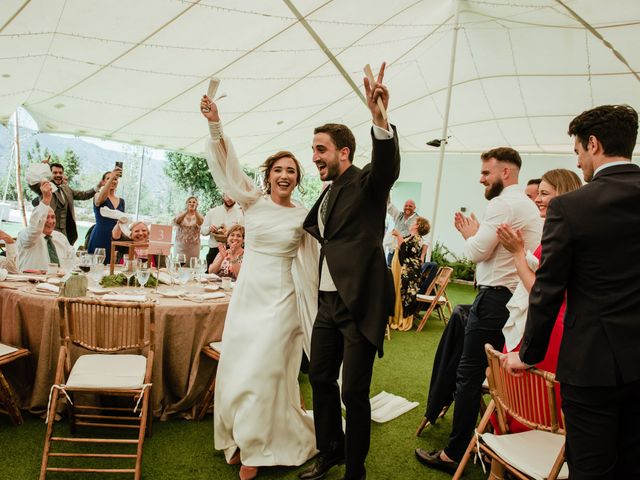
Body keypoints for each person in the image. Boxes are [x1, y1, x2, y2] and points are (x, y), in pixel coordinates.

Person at [503, 104, 640, 479]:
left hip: (591, 365)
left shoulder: (571, 206)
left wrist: (527, 354)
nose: (578, 162)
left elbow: (548, 291)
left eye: (578, 152)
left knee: (591, 467)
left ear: (593, 144)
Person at [200, 94, 319, 480]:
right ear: (268, 175)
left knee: (267, 369)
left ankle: (256, 448)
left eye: (292, 171)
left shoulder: (304, 216)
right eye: (279, 170)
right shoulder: (251, 201)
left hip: (282, 299)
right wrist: (215, 123)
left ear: (298, 179)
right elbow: (226, 163)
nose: (285, 175)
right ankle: (237, 437)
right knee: (239, 366)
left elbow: (318, 259)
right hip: (248, 295)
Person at [299, 63, 400, 480]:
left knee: (353, 391)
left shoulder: (367, 183)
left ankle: (355, 469)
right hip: (326, 304)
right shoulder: (327, 194)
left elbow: (388, 166)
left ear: (344, 152)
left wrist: (380, 121)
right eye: (313, 149)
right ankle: (331, 451)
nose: (314, 156)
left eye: (320, 149)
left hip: (358, 303)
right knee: (320, 380)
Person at [415, 147, 542, 474]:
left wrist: (470, 235)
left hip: (495, 299)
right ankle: (483, 441)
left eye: (487, 173)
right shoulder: (526, 205)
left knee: (468, 375)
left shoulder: (503, 203)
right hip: (512, 301)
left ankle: (455, 453)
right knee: (484, 375)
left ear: (505, 174)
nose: (481, 178)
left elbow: (475, 253)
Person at [17, 180, 75, 272]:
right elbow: (35, 228)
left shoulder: (60, 237)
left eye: (53, 217)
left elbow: (72, 259)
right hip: (32, 282)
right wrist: (46, 200)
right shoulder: (26, 236)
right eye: (46, 217)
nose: (51, 221)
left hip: (57, 282)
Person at [388, 216, 430, 331]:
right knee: (398, 292)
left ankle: (402, 321)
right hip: (402, 269)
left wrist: (398, 236)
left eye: (415, 222)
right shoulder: (411, 237)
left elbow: (406, 251)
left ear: (418, 226)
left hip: (408, 271)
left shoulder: (417, 238)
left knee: (405, 294)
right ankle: (395, 318)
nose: (412, 223)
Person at [87, 168, 123, 264]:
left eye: (115, 179)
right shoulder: (97, 195)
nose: (113, 181)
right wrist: (112, 178)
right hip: (100, 235)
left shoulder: (121, 201)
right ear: (103, 182)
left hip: (114, 238)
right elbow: (100, 201)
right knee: (96, 263)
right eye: (109, 178)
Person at [201, 193, 243, 267]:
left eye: (232, 196)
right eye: (227, 195)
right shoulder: (213, 212)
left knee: (232, 276)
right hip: (214, 250)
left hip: (234, 251)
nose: (229, 199)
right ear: (223, 196)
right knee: (210, 276)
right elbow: (202, 231)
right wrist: (209, 229)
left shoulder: (241, 213)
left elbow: (244, 232)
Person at [386, 198, 418, 265]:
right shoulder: (398, 215)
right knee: (389, 272)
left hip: (405, 253)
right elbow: (389, 205)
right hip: (393, 251)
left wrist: (423, 255)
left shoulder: (418, 220)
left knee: (400, 273)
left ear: (414, 208)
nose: (407, 207)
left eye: (410, 206)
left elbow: (426, 239)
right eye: (406, 206)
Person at [173, 196, 204, 263]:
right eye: (189, 202)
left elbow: (200, 222)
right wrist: (187, 211)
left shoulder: (199, 215)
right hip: (181, 245)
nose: (192, 203)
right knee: (179, 263)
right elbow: (177, 221)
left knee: (192, 264)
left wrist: (195, 211)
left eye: (194, 202)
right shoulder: (180, 213)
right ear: (186, 203)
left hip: (194, 246)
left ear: (197, 205)